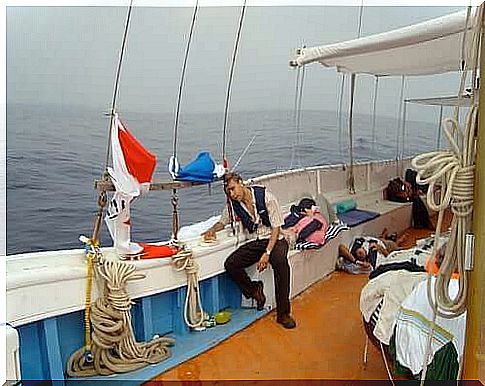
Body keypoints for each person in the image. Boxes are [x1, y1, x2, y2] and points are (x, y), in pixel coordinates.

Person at [202, 172, 296, 329]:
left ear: (241, 183)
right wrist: (212, 230)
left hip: (275, 239)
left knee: (281, 264)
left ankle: (284, 314)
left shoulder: (266, 197)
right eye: (228, 192)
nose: (232, 194)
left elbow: (276, 228)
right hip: (256, 240)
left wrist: (267, 254)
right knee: (231, 264)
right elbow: (223, 221)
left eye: (233, 189)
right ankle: (254, 290)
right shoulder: (234, 204)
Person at [337, 229, 406, 274]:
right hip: (384, 246)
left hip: (375, 240)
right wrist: (381, 249)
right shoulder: (373, 263)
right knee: (395, 248)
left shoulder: (355, 247)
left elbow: (341, 247)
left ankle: (384, 236)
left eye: (359, 252)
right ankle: (397, 242)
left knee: (384, 239)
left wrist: (355, 260)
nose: (360, 253)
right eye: (360, 256)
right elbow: (389, 257)